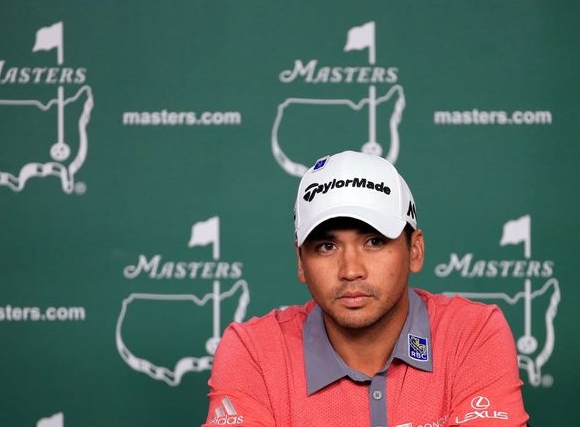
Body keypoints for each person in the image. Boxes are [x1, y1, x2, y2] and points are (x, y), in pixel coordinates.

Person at [202, 150, 529, 427]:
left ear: (414, 251)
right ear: (301, 262)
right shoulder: (253, 351)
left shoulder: (471, 334)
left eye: (374, 242)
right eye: (327, 247)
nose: (350, 270)